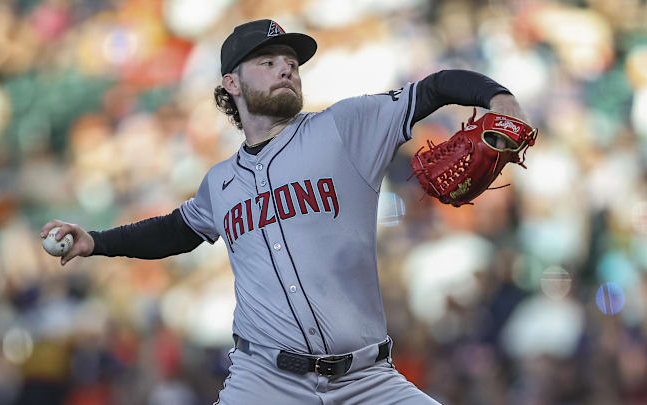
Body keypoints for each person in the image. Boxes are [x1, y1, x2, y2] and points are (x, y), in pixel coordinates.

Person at [41, 19, 530, 405]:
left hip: (367, 380)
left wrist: (498, 97)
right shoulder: (220, 182)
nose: (286, 68)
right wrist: (96, 241)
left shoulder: (344, 128)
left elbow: (436, 86)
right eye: (268, 60)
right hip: (265, 381)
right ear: (230, 82)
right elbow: (176, 230)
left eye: (291, 61)